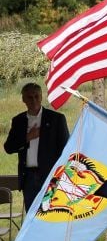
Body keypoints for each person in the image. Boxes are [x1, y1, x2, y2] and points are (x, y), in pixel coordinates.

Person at [4, 83, 69, 211]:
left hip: (50, 178)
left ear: (41, 97)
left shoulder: (56, 119)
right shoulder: (18, 120)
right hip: (28, 178)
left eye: (36, 96)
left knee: (50, 216)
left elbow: (65, 150)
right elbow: (9, 148)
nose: (33, 100)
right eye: (29, 97)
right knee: (32, 215)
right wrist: (27, 137)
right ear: (23, 99)